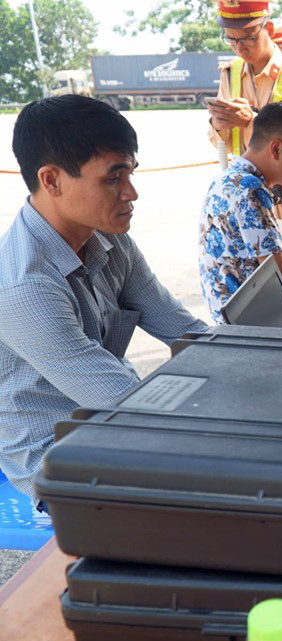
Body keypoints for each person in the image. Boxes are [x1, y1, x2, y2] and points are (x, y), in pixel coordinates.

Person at [0, 95, 208, 503]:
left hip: (117, 421)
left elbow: (189, 333)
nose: (131, 193)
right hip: (59, 457)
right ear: (52, 181)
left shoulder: (111, 240)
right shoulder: (23, 286)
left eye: (130, 173)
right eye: (113, 179)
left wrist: (261, 367)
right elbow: (127, 405)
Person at [206, 0, 282, 258]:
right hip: (243, 202)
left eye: (248, 37)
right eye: (232, 39)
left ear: (268, 28)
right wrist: (218, 124)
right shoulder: (230, 74)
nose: (240, 47)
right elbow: (219, 140)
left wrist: (251, 122)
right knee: (252, 280)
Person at [200, 102, 282, 324]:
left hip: (229, 318)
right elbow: (278, 268)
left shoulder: (226, 178)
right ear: (276, 149)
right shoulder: (251, 188)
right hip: (252, 324)